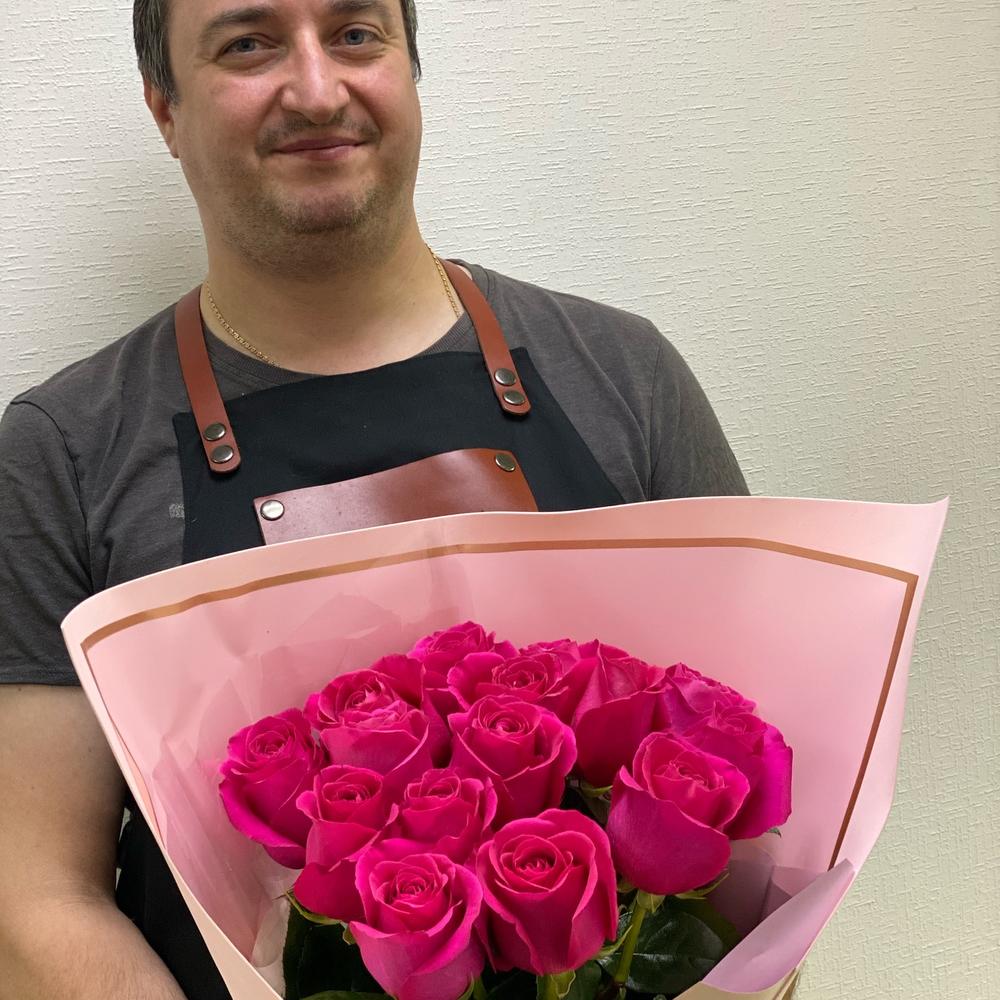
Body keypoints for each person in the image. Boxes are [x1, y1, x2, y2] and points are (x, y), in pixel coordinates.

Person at [0, 1, 748, 998]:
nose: (317, 90)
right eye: (248, 44)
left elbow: (749, 794)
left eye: (355, 34)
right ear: (165, 109)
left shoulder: (625, 376)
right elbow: (34, 900)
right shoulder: (62, 450)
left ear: (409, 69)